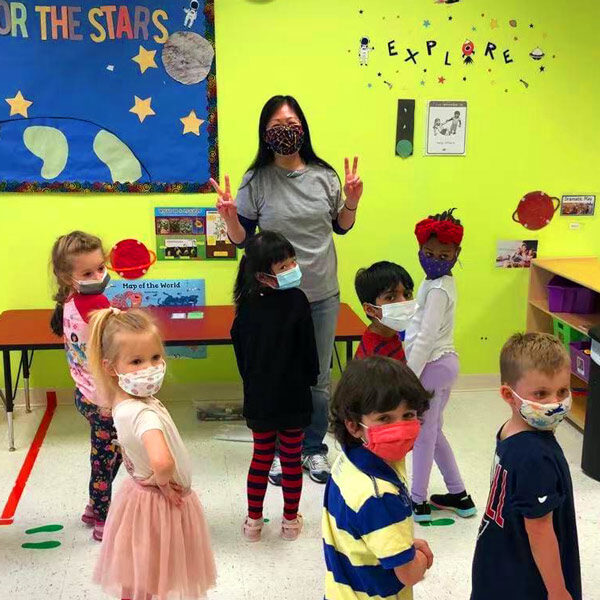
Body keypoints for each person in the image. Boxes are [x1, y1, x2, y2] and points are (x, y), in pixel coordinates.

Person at [211, 94, 364, 484]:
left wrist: (352, 201)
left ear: (303, 128)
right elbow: (243, 241)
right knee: (277, 374)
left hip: (320, 294)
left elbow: (341, 227)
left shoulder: (324, 176)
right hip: (272, 297)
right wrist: (230, 218)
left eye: (292, 123)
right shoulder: (256, 180)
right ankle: (281, 452)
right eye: (276, 125)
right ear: (265, 133)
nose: (285, 131)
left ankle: (312, 449)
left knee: (316, 378)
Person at [88, 308, 216, 600]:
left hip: (137, 499)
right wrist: (163, 483)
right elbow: (161, 460)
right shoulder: (143, 414)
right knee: (157, 573)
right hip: (159, 503)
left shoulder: (123, 403)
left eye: (156, 357)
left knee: (138, 571)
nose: (150, 367)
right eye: (136, 361)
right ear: (111, 367)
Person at [471, 333, 581, 600]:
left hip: (498, 558)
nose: (555, 403)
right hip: (527, 577)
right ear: (509, 394)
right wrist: (557, 591)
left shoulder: (510, 431)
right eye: (541, 394)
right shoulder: (535, 456)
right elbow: (540, 529)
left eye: (562, 391)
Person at [231, 231, 319, 541]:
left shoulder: (246, 307)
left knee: (262, 457)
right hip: (294, 398)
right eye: (285, 265)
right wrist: (311, 378)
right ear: (263, 275)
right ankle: (290, 523)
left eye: (293, 261)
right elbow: (310, 351)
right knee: (292, 460)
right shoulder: (298, 301)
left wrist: (253, 384)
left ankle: (254, 523)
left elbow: (242, 357)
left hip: (260, 399)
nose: (294, 268)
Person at [323, 357, 434, 599]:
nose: (401, 427)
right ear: (354, 426)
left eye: (409, 415)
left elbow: (366, 529)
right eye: (384, 418)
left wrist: (401, 546)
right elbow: (408, 574)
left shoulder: (347, 462)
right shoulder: (379, 496)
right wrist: (422, 558)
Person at [404, 208, 476, 522]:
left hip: (431, 366)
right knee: (434, 431)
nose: (434, 258)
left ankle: (417, 501)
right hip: (443, 365)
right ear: (419, 249)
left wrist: (407, 376)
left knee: (423, 434)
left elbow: (425, 338)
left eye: (443, 254)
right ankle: (459, 494)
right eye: (428, 252)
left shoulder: (436, 289)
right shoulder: (443, 281)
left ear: (456, 253)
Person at [50, 231, 120, 541]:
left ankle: (94, 505)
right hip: (103, 399)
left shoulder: (68, 298)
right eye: (88, 273)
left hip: (83, 392)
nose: (99, 276)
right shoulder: (97, 302)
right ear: (67, 276)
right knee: (106, 457)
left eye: (101, 268)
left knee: (107, 453)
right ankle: (102, 517)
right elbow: (116, 347)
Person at [354, 261, 415, 361]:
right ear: (370, 309)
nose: (403, 302)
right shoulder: (374, 359)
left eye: (407, 295)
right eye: (390, 297)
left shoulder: (392, 332)